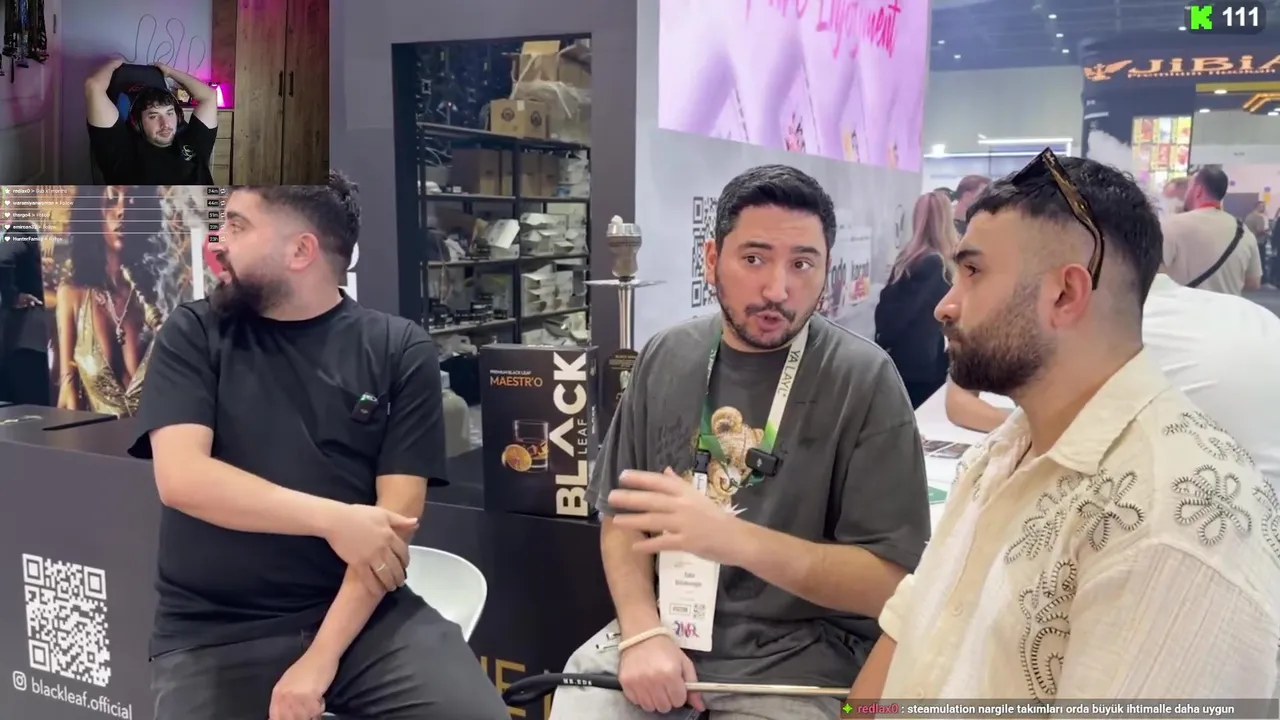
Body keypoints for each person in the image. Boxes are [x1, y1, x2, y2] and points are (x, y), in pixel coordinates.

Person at [847, 152, 1279, 704]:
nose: (945, 307)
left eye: (973, 273)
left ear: (1066, 294)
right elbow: (909, 623)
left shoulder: (1175, 530)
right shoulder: (1006, 449)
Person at [550, 165, 931, 720]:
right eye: (754, 259)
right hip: (666, 635)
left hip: (800, 663)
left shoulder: (863, 379)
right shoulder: (666, 356)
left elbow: (889, 584)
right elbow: (621, 517)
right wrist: (641, 631)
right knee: (578, 704)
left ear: (826, 268)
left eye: (802, 264)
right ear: (712, 261)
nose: (777, 289)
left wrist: (733, 539)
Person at [127, 173, 509, 720]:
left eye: (237, 226)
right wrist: (335, 520)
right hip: (214, 630)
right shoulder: (195, 334)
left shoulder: (398, 350)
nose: (219, 242)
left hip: (365, 620)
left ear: (301, 250)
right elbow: (183, 479)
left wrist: (321, 659)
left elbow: (392, 529)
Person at [945, 268, 1280, 487]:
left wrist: (1030, 425)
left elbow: (959, 403)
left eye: (976, 271)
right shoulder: (1250, 314)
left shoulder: (1103, 334)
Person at [55, 186, 160, 415]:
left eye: (130, 200)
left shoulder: (156, 294)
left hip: (159, 435)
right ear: (92, 211)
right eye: (112, 200)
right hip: (97, 436)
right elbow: (68, 394)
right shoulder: (73, 295)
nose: (122, 211)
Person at [874, 191, 958, 408]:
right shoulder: (935, 264)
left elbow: (888, 313)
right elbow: (904, 314)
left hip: (910, 359)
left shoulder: (910, 260)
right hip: (918, 364)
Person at [85, 58, 218, 185]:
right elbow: (94, 86)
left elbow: (209, 96)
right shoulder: (121, 151)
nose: (165, 124)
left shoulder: (193, 141)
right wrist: (113, 64)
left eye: (169, 113)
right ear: (137, 121)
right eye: (153, 116)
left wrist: (170, 72)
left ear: (177, 116)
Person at [1161, 166, 1262, 295]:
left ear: (1198, 190)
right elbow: (1253, 282)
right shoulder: (1244, 232)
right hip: (1226, 307)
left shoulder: (1169, 226)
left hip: (1183, 306)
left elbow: (1153, 274)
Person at [0, 222, 50, 405]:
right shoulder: (24, 229)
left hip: (30, 342)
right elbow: (3, 258)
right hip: (26, 342)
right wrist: (12, 297)